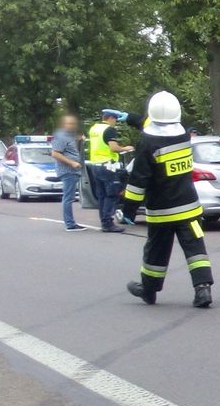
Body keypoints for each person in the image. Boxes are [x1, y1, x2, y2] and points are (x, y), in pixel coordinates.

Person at [121, 91, 213, 308]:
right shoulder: (183, 135)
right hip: (189, 207)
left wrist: (128, 210)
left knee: (156, 250)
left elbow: (138, 181)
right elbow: (159, 125)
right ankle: (203, 290)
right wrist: (135, 119)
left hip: (162, 211)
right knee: (195, 248)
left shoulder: (147, 143)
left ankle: (149, 290)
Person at [87, 109, 134, 233]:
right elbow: (113, 148)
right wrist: (126, 148)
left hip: (95, 165)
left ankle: (103, 221)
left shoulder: (94, 129)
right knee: (111, 195)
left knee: (101, 195)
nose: (116, 123)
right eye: (115, 120)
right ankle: (108, 223)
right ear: (111, 118)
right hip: (108, 166)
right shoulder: (109, 130)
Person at [49, 114, 85, 231]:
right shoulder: (61, 136)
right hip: (68, 170)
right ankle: (70, 224)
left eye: (73, 124)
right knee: (68, 197)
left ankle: (70, 223)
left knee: (69, 197)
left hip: (72, 170)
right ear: (64, 124)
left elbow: (69, 147)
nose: (72, 126)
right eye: (69, 123)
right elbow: (55, 153)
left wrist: (78, 139)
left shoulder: (69, 136)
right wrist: (72, 163)